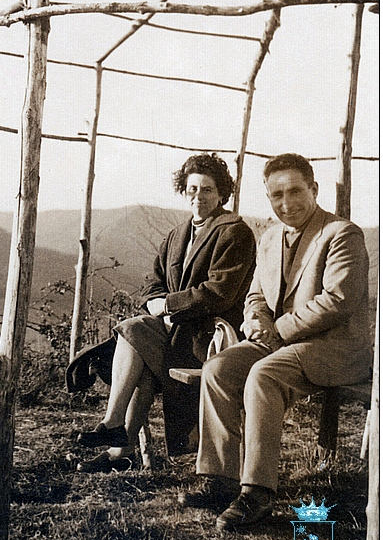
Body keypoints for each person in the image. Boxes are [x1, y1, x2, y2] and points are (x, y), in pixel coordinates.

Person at [185, 153, 371, 532]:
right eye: (276, 195)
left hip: (335, 347)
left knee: (264, 374)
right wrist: (256, 321)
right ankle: (220, 478)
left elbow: (337, 301)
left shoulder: (341, 234)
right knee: (218, 368)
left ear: (314, 189)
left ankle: (257, 492)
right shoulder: (269, 237)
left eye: (295, 191)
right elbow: (254, 296)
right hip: (282, 343)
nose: (287, 203)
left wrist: (277, 331)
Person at [75, 153, 256, 472]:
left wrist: (168, 307)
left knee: (133, 330)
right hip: (173, 333)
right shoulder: (176, 235)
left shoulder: (234, 232)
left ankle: (115, 427)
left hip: (208, 340)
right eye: (193, 189)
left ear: (222, 194)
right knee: (138, 348)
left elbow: (219, 292)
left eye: (208, 189)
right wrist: (156, 303)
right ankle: (121, 447)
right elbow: (152, 283)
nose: (199, 196)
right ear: (184, 192)